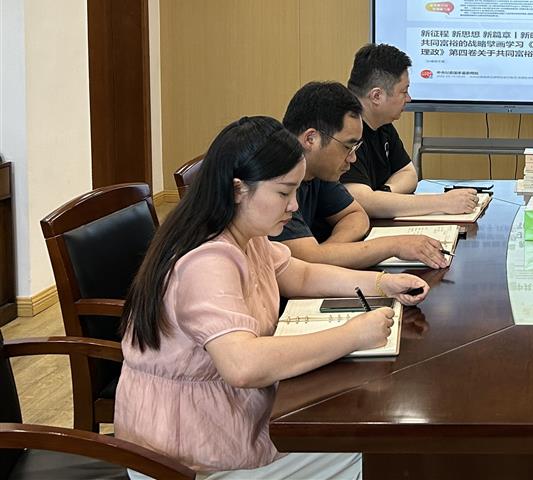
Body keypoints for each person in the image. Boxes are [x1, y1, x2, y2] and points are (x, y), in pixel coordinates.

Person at [116, 116, 429, 478]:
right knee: (373, 453)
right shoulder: (207, 260)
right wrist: (354, 335)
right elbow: (243, 365)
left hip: (225, 425)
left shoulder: (244, 234)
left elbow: (302, 274)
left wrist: (382, 284)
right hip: (187, 457)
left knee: (369, 440)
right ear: (238, 189)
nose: (294, 206)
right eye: (284, 193)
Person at [275, 81, 449, 269]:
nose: (353, 158)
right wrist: (395, 245)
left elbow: (356, 215)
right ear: (311, 139)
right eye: (347, 147)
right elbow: (308, 259)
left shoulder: (317, 171)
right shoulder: (275, 177)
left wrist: (330, 251)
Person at [341, 43, 478, 218]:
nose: (409, 99)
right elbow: (361, 201)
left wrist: (385, 193)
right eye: (403, 92)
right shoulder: (343, 128)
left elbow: (408, 174)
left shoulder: (381, 124)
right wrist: (443, 202)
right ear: (376, 96)